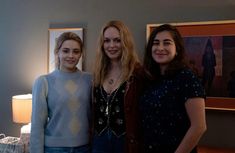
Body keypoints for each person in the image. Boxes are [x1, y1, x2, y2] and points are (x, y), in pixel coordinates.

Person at [140, 24, 207, 153]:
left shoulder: (186, 77)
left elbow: (199, 127)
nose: (160, 48)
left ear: (177, 49)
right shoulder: (150, 79)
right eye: (156, 43)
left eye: (167, 43)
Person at [30, 32, 92, 153]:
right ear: (57, 52)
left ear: (81, 54)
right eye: (65, 51)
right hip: (54, 149)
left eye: (76, 51)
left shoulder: (90, 80)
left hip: (84, 147)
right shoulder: (43, 82)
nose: (71, 55)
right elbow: (37, 125)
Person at [91, 20, 144, 153]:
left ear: (125, 42)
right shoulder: (97, 72)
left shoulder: (138, 73)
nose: (111, 45)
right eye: (107, 41)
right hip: (99, 140)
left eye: (117, 40)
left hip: (125, 142)